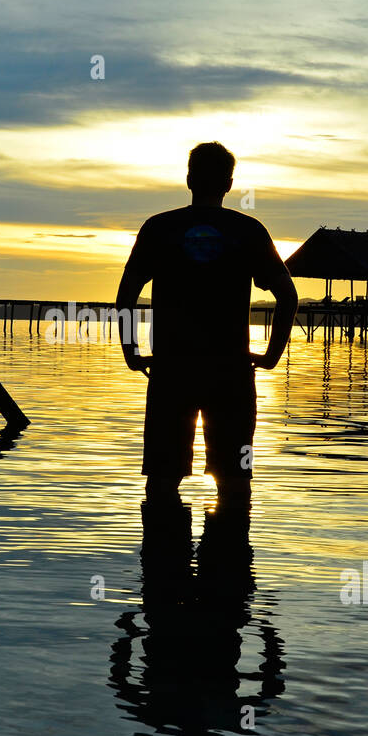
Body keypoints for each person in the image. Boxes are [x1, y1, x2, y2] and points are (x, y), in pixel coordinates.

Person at [115, 142, 298, 505]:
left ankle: (163, 557)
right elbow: (288, 296)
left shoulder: (158, 228)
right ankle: (228, 556)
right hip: (230, 373)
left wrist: (131, 352)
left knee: (162, 480)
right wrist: (272, 355)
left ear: (188, 179)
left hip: (172, 371)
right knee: (234, 480)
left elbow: (125, 297)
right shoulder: (248, 230)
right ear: (229, 184)